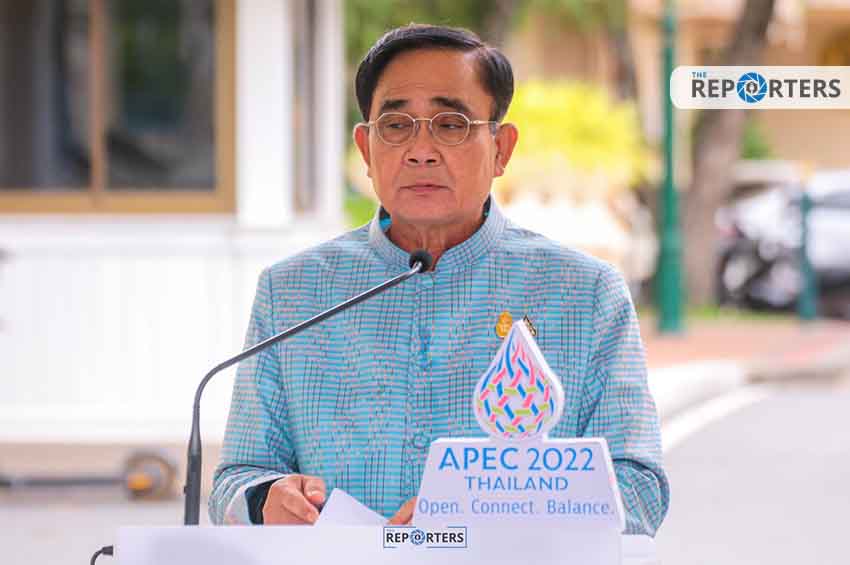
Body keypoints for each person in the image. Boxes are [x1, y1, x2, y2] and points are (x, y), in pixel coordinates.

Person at [210, 24, 669, 535]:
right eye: (396, 125)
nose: (420, 150)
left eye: (451, 124)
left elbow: (638, 492)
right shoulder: (293, 292)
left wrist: (486, 518)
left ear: (501, 148)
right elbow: (237, 478)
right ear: (366, 149)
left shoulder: (583, 293)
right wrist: (266, 499)